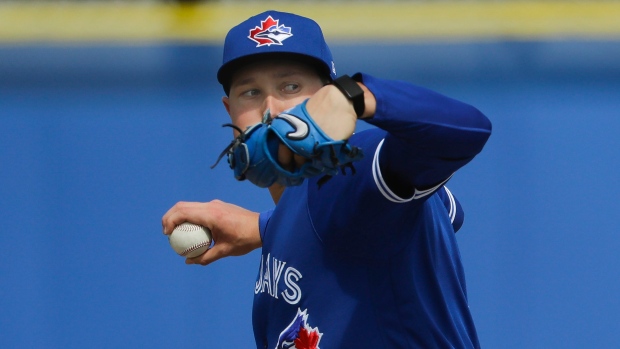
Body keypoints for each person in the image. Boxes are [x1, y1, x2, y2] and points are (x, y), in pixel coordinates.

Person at [162, 10, 492, 349]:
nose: (271, 109)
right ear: (229, 111)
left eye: (291, 87)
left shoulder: (352, 178)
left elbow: (468, 131)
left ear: (325, 96)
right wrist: (264, 227)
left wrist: (355, 97)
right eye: (251, 93)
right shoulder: (304, 218)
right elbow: (446, 211)